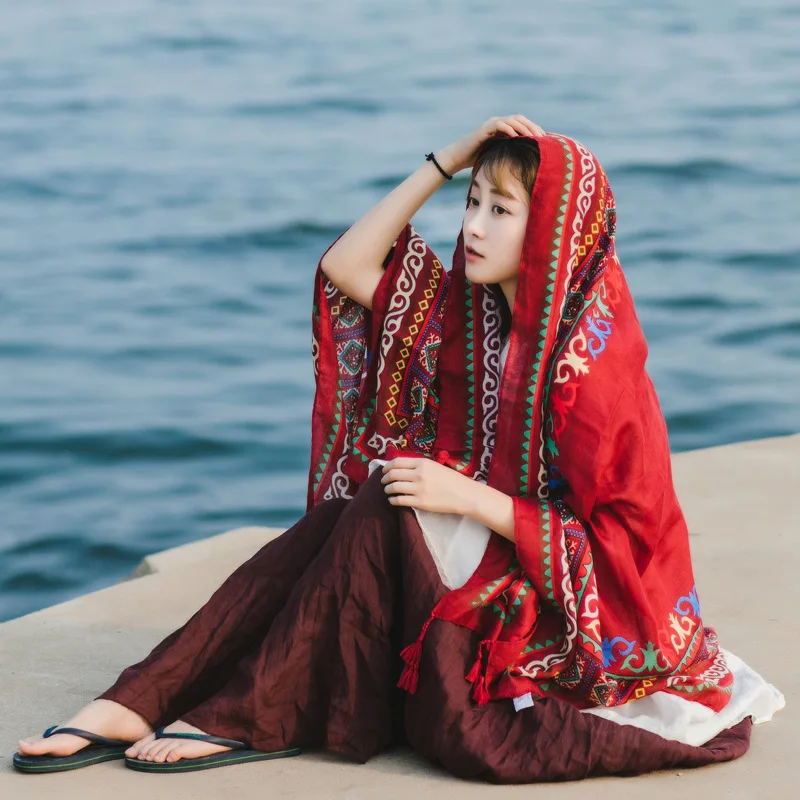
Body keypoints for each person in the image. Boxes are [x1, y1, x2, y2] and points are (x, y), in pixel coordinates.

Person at [14, 116, 783, 780]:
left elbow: (627, 548)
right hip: (498, 557)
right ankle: (140, 699)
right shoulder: (472, 319)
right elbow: (346, 267)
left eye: (501, 210)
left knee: (386, 496)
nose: (473, 226)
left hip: (582, 613)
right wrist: (445, 161)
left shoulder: (593, 367)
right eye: (471, 203)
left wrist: (468, 498)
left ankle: (245, 715)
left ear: (551, 228)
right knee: (356, 508)